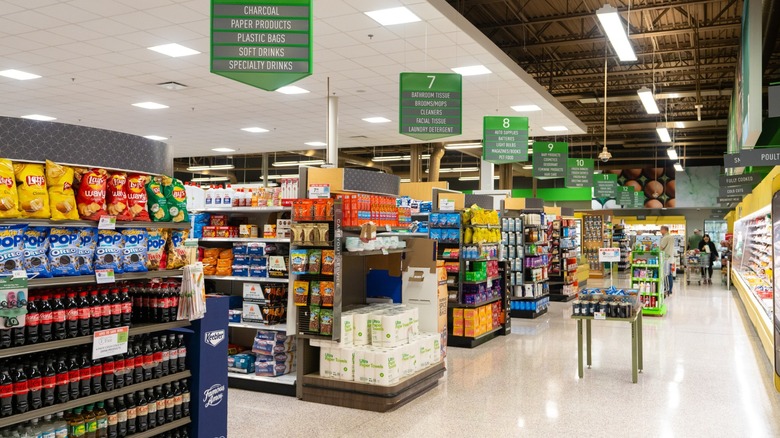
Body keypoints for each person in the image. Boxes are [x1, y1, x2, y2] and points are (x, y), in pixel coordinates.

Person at [659, 226, 675, 295]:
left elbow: (661, 248)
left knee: (666, 275)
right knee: (669, 274)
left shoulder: (666, 237)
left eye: (661, 230)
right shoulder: (671, 237)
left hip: (666, 259)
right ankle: (670, 289)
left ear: (664, 230)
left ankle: (667, 289)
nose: (660, 231)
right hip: (670, 258)